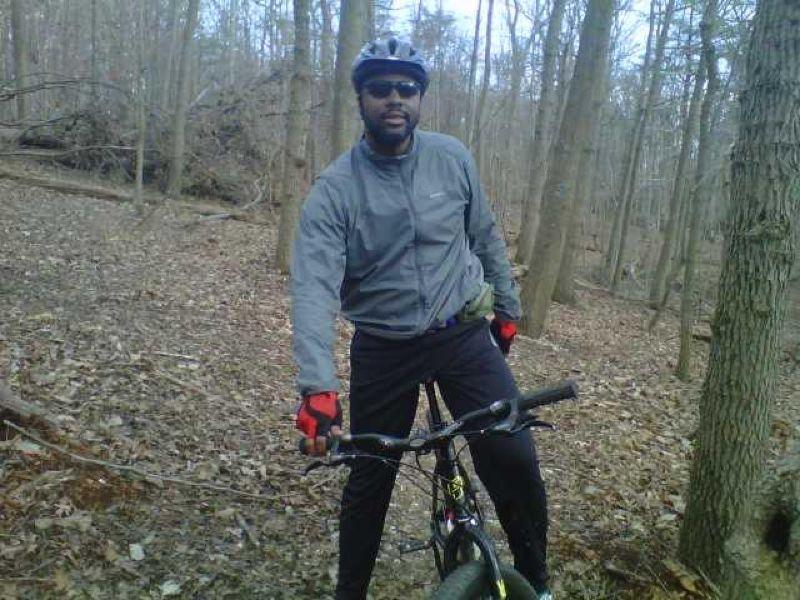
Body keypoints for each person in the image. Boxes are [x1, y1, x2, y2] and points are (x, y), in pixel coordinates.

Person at [291, 37, 553, 600]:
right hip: (384, 345)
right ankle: (350, 591)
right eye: (380, 89)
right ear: (361, 99)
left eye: (406, 89)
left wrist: (506, 308)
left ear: (420, 99)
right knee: (370, 478)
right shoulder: (336, 188)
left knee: (511, 451)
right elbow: (312, 288)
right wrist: (318, 388)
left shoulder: (451, 157)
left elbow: (483, 235)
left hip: (459, 332)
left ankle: (538, 581)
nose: (394, 100)